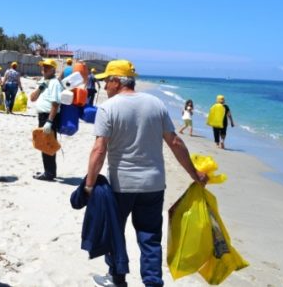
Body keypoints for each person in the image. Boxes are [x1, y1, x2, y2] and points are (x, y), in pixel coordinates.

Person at [84, 59, 208, 287]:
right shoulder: (156, 104)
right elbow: (175, 142)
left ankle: (116, 278)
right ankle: (152, 283)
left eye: (106, 82)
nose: (103, 87)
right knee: (150, 237)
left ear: (116, 81)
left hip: (122, 185)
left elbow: (99, 149)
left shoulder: (108, 108)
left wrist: (90, 184)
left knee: (115, 232)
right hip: (154, 184)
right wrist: (195, 174)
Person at [29, 59, 64, 181]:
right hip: (42, 116)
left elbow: (55, 104)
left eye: (47, 67)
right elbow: (32, 98)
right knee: (44, 143)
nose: (44, 69)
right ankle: (49, 171)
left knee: (47, 144)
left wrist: (49, 121)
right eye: (43, 67)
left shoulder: (55, 83)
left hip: (49, 117)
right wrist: (40, 88)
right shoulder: (43, 81)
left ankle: (49, 173)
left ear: (53, 69)